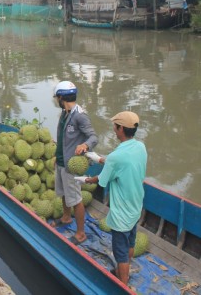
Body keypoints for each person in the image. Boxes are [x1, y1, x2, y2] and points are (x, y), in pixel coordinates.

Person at [84, 111, 147, 285]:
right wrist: (100, 159)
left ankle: (123, 283)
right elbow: (120, 163)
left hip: (121, 214)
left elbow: (102, 181)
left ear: (120, 129)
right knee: (131, 242)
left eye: (115, 126)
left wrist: (89, 179)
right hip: (135, 207)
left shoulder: (116, 157)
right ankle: (123, 270)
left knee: (120, 253)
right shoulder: (140, 147)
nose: (113, 129)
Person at [50, 81, 98, 245]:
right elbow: (64, 139)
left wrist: (85, 145)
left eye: (57, 97)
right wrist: (57, 155)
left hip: (71, 166)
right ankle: (65, 218)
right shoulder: (65, 113)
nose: (56, 100)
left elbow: (93, 137)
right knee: (63, 193)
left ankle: (81, 233)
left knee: (76, 199)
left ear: (61, 97)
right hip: (62, 161)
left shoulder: (79, 115)